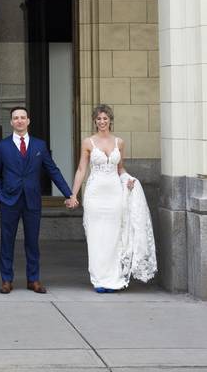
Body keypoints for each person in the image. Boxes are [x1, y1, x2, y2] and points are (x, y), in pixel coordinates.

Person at [69, 104, 157, 293]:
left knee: (114, 235)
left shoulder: (119, 142)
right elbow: (81, 169)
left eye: (105, 118)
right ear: (95, 121)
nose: (102, 122)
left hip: (114, 194)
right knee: (96, 236)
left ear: (110, 120)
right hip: (95, 194)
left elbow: (120, 169)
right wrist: (74, 194)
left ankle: (114, 277)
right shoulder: (88, 142)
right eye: (99, 119)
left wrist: (128, 179)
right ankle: (99, 279)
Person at [0, 106, 78, 294]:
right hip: (9, 201)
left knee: (32, 242)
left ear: (28, 121)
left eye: (23, 117)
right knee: (7, 241)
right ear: (12, 122)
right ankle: (6, 280)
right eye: (16, 118)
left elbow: (52, 170)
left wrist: (68, 194)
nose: (19, 121)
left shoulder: (39, 145)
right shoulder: (2, 146)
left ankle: (33, 280)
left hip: (32, 201)